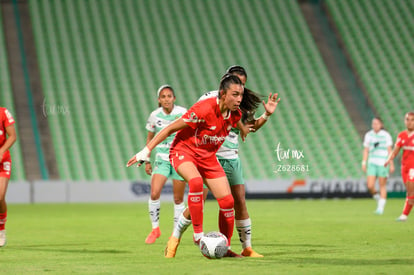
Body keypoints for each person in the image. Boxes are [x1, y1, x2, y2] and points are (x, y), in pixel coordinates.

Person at [128, 75, 277, 257]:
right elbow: (169, 129)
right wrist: (146, 150)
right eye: (235, 94)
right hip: (184, 151)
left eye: (241, 95)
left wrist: (266, 114)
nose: (239, 99)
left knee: (228, 201)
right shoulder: (204, 108)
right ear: (223, 94)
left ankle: (224, 247)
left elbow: (247, 129)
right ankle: (197, 237)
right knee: (196, 182)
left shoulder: (235, 114)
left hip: (207, 157)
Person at [167, 65, 279, 258]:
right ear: (225, 83)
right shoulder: (209, 99)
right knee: (198, 200)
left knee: (238, 201)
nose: (240, 90)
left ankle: (246, 248)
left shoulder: (239, 104)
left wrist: (266, 115)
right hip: (208, 155)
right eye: (237, 83)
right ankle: (175, 238)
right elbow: (193, 121)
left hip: (231, 156)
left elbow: (250, 129)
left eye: (243, 85)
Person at [143, 85, 187, 244]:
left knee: (178, 198)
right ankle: (155, 229)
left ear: (174, 98)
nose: (166, 99)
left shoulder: (183, 113)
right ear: (159, 100)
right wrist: (147, 159)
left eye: (169, 96)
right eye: (163, 96)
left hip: (179, 157)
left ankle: (175, 234)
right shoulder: (154, 116)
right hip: (161, 158)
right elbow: (150, 139)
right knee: (154, 193)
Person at [384, 111, 414, 221]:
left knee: (411, 192)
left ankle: (404, 215)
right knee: (410, 192)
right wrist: (389, 159)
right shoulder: (401, 135)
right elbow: (395, 151)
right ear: (404, 121)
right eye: (407, 119)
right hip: (404, 167)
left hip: (413, 168)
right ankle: (404, 215)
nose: (409, 122)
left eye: (412, 120)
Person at [362, 117, 394, 215]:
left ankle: (380, 208)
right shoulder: (368, 135)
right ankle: (377, 198)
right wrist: (364, 162)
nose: (375, 125)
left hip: (383, 163)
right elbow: (366, 150)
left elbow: (389, 150)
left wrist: (391, 163)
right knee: (370, 185)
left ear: (381, 125)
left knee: (382, 185)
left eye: (376, 123)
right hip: (372, 162)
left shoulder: (386, 135)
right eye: (373, 123)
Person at [0, 107, 17, 247]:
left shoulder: (3, 112)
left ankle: (1, 230)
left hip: (2, 161)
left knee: (0, 197)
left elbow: (12, 136)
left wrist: (1, 151)